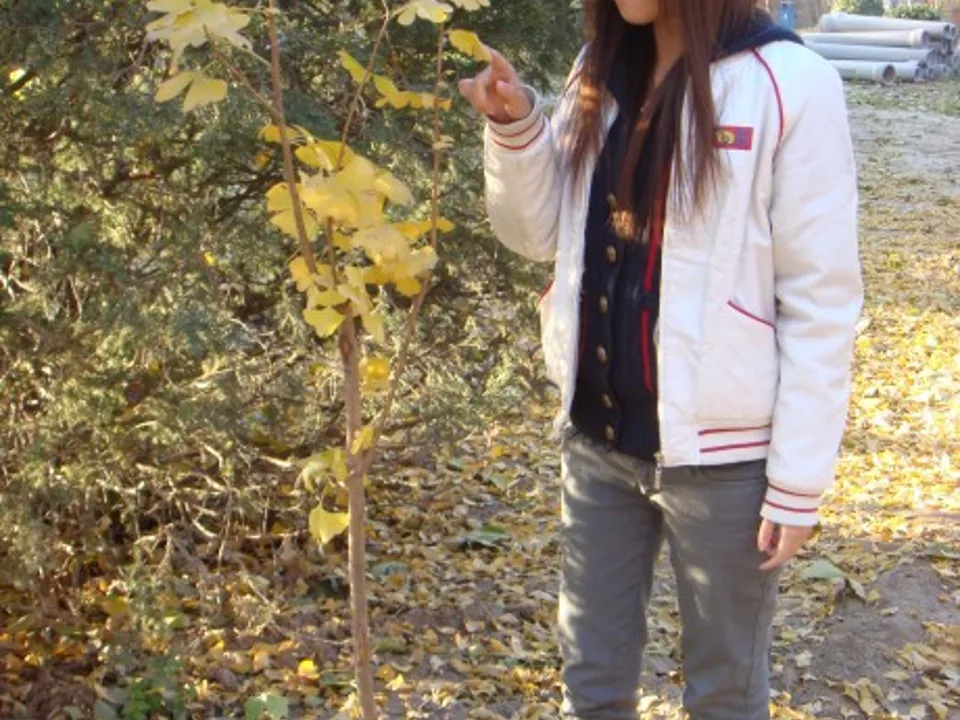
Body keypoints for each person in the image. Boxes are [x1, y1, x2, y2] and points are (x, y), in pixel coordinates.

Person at [458, 1, 863, 718]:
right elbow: (537, 234)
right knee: (591, 682)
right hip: (598, 440)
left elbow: (820, 297)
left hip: (725, 462)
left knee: (723, 691)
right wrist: (515, 127)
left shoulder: (789, 82)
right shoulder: (598, 68)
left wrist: (799, 480)